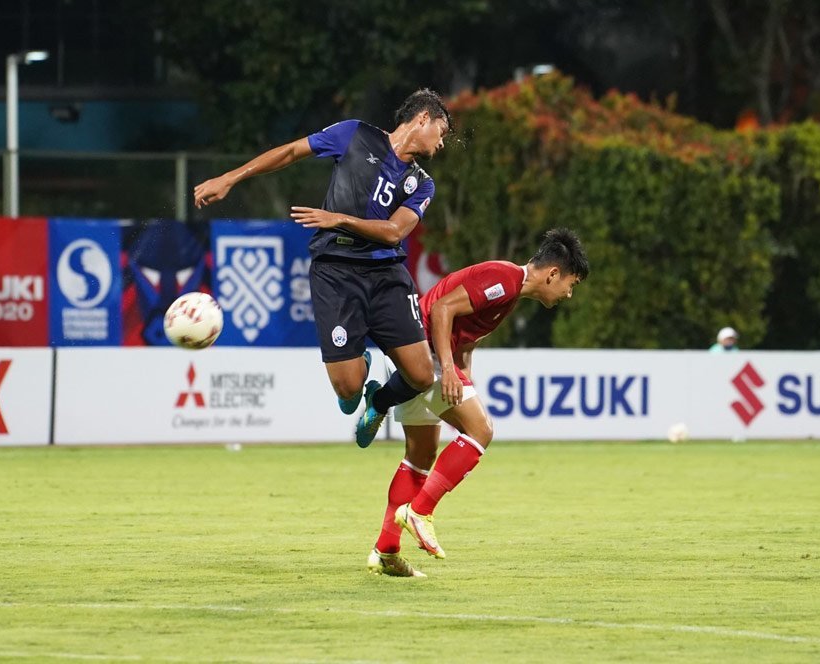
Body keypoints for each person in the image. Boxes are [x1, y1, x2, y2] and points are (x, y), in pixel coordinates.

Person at [193, 90, 452, 442]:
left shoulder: (422, 183)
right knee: (347, 390)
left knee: (422, 376)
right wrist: (230, 178)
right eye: (442, 130)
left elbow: (394, 233)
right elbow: (290, 152)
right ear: (423, 118)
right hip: (336, 271)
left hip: (385, 274)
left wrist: (338, 219)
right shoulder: (354, 134)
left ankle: (379, 400)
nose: (442, 142)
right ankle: (360, 370)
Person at [366, 228, 589, 577]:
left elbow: (465, 331)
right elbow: (442, 310)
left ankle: (386, 550)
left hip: (415, 349)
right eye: (570, 284)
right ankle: (419, 511)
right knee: (480, 430)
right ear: (553, 274)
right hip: (424, 354)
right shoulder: (504, 278)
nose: (569, 294)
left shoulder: (510, 292)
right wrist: (450, 370)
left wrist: (463, 365)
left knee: (420, 457)